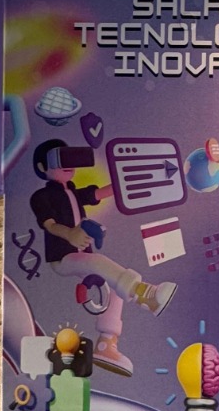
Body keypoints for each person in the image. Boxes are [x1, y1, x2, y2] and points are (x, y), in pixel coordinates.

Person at [29, 140, 176, 378]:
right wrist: (70, 234)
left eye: (69, 157)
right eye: (59, 159)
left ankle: (107, 344)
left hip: (82, 254)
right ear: (41, 166)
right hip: (62, 257)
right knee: (97, 262)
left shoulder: (73, 192)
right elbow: (50, 225)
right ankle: (144, 294)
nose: (68, 164)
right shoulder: (41, 196)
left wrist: (128, 181)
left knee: (114, 285)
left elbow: (100, 193)